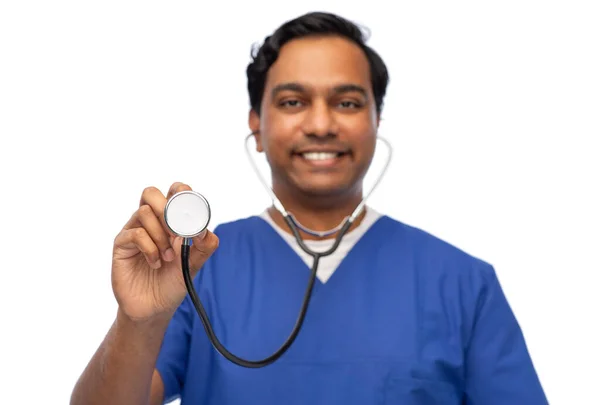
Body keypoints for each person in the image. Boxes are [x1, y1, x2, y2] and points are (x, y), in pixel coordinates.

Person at [70, 11, 548, 405]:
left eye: (346, 102)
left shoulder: (462, 283)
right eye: (294, 101)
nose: (321, 124)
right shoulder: (194, 268)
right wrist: (138, 320)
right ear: (257, 126)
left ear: (376, 120)